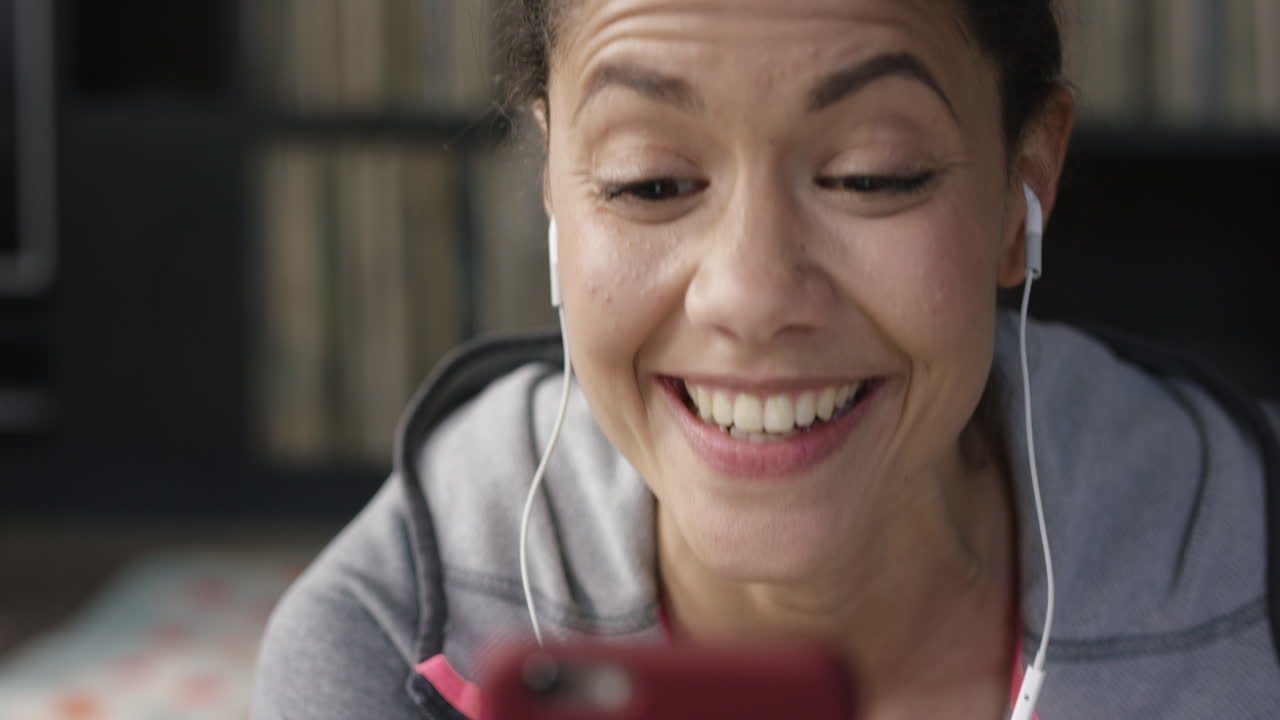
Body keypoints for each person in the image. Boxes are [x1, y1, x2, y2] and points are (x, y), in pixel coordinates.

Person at [252, 1, 1280, 718]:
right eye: (648, 181)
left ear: (1024, 185)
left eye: (870, 175)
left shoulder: (1247, 569)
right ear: (556, 195)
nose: (748, 297)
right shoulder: (383, 653)